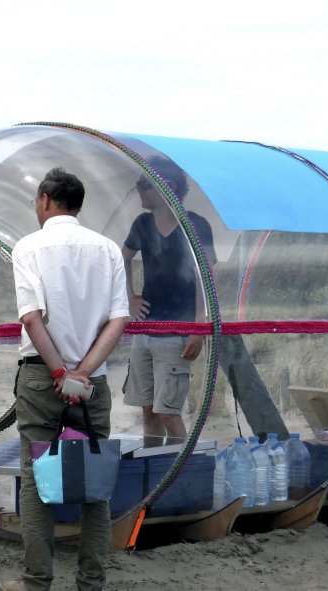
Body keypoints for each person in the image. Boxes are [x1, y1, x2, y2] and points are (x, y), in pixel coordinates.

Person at [1, 168, 130, 591]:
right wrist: (82, 373)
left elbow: (31, 318)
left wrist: (60, 373)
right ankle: (92, 580)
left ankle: (37, 580)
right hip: (94, 382)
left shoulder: (29, 247)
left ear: (44, 200)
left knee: (37, 483)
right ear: (78, 204)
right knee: (96, 484)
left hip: (41, 377)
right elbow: (118, 319)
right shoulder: (107, 249)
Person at [121, 158, 216, 442]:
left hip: (177, 334)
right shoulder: (142, 224)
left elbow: (206, 277)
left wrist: (198, 328)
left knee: (168, 413)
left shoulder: (196, 226)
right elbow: (121, 258)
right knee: (148, 412)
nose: (139, 190)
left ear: (166, 188)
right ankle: (155, 473)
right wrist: (130, 298)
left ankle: (181, 475)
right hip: (145, 332)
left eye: (144, 185)